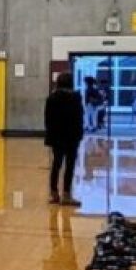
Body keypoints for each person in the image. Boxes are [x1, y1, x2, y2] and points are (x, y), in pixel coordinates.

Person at [44, 72, 84, 205]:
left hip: (57, 137)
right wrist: (79, 135)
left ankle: (54, 194)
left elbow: (48, 120)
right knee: (70, 165)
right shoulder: (76, 98)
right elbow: (79, 119)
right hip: (72, 137)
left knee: (56, 164)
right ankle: (66, 194)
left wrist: (50, 135)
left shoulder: (52, 98)